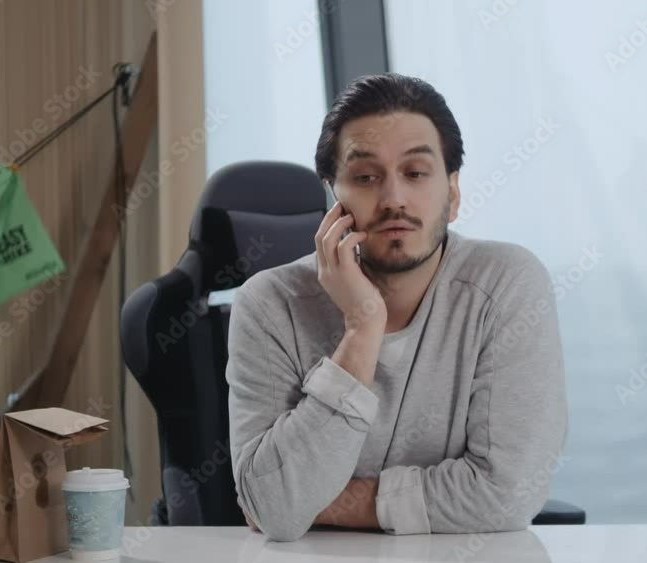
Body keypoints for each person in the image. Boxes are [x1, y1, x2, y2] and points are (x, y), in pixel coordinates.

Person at [225, 73, 567, 541]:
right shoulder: (269, 304)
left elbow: (508, 493)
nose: (393, 199)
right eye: (366, 177)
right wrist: (361, 328)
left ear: (453, 192)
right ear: (333, 196)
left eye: (416, 173)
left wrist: (321, 503)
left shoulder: (507, 285)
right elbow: (274, 509)